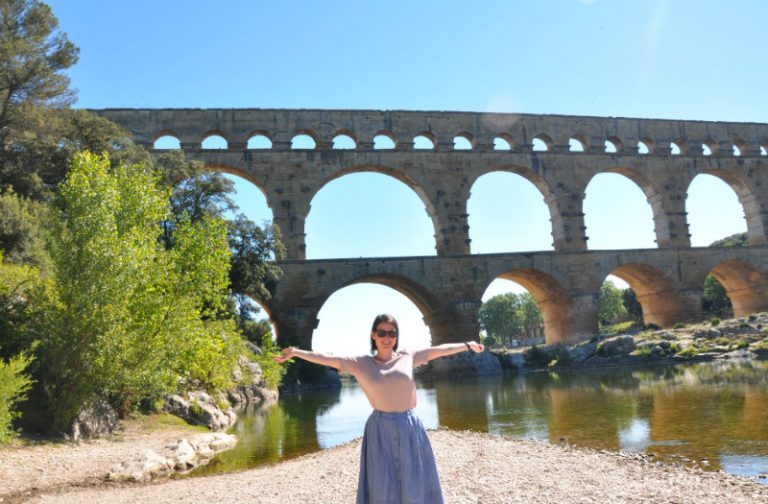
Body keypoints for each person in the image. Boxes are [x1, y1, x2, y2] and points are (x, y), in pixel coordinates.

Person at [275, 313, 485, 504]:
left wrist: (467, 344)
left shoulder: (407, 357)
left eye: (392, 333)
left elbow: (438, 351)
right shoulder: (361, 363)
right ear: (373, 335)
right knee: (382, 482)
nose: (387, 337)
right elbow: (328, 359)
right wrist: (296, 352)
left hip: (409, 427)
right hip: (379, 429)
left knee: (415, 478)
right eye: (382, 332)